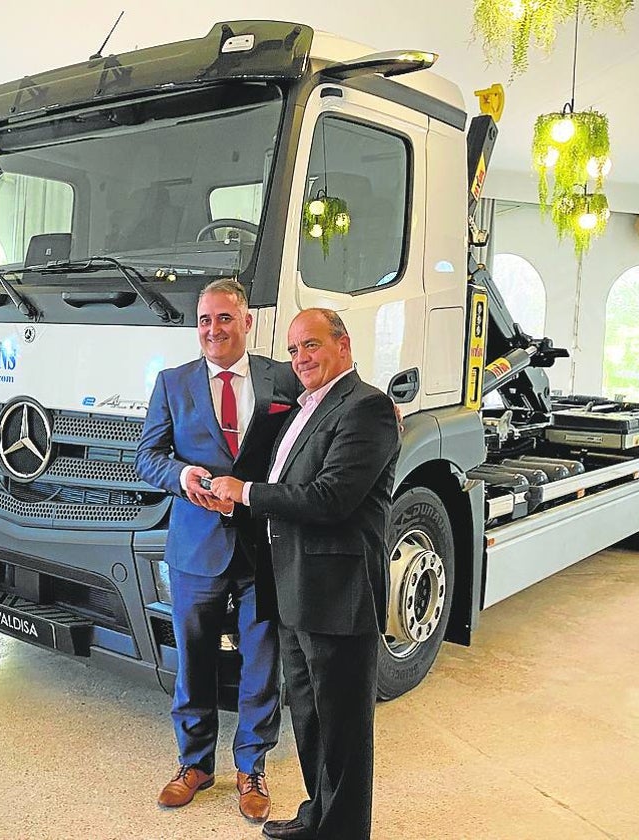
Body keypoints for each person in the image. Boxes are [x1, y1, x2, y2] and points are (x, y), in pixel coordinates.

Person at [210, 308, 400, 840]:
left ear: (343, 344)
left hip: (337, 592)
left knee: (343, 728)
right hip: (294, 586)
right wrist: (235, 499)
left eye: (311, 346)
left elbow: (332, 498)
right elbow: (285, 482)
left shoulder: (368, 408)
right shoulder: (306, 407)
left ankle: (342, 831)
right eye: (294, 350)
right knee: (312, 720)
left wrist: (244, 493)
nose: (301, 359)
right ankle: (318, 815)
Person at [136, 278, 301, 823]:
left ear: (246, 321)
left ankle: (252, 767)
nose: (213, 330)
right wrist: (182, 474)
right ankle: (195, 764)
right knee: (194, 659)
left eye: (224, 318)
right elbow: (148, 457)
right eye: (204, 320)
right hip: (195, 547)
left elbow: (317, 424)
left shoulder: (282, 377)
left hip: (264, 545)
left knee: (262, 660)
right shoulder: (171, 383)